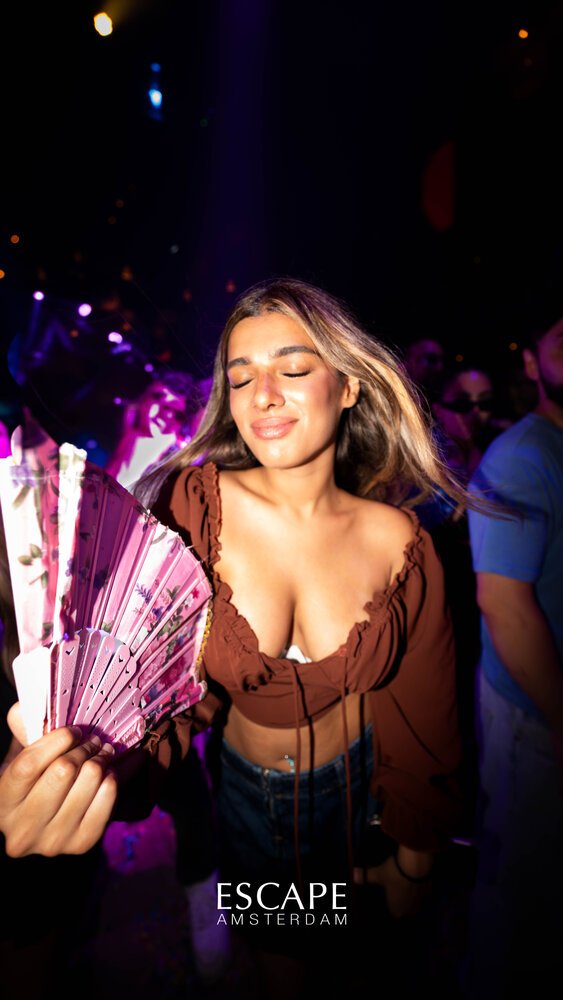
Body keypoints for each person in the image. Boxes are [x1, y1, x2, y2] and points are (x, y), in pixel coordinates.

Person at [0, 277, 480, 995]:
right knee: (281, 970)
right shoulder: (192, 509)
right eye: (241, 376)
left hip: (360, 800)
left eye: (293, 369)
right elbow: (148, 689)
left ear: (349, 386)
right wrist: (81, 763)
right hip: (252, 806)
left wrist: (415, 856)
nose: (263, 396)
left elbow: (424, 712)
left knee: (362, 962)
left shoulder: (401, 540)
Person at [462, 308, 563, 996]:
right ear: (530, 363)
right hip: (535, 717)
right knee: (518, 891)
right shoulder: (521, 459)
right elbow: (504, 607)